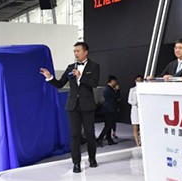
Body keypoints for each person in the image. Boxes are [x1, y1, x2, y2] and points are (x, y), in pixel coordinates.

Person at [40, 42, 100, 173]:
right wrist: (50, 77)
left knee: (90, 134)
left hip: (87, 105)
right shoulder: (70, 67)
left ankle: (92, 159)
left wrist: (81, 76)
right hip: (72, 106)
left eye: (78, 51)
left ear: (85, 52)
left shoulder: (94, 66)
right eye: (74, 51)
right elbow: (60, 84)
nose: (76, 53)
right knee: (74, 135)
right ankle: (76, 163)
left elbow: (94, 83)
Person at [97, 75, 121, 146]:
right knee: (108, 125)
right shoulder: (109, 89)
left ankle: (109, 139)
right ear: (112, 81)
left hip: (108, 109)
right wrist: (118, 90)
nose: (116, 83)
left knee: (109, 125)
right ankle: (99, 139)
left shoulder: (107, 89)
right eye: (115, 81)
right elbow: (117, 97)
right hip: (109, 110)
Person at [128, 75, 144, 146]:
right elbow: (129, 100)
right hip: (135, 110)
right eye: (137, 80)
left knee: (142, 127)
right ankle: (137, 143)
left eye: (140, 80)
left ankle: (142, 141)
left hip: (142, 110)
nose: (138, 82)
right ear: (135, 81)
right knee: (135, 127)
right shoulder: (132, 89)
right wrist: (135, 103)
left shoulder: (144, 89)